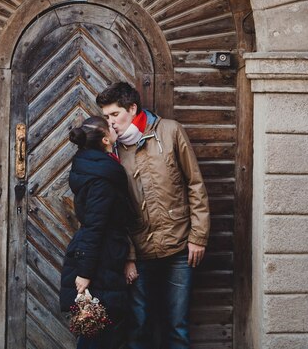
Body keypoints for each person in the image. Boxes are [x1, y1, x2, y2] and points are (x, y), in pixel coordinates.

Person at [96, 82, 210, 349]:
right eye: (106, 117)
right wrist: (128, 256)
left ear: (132, 108)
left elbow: (195, 185)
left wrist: (199, 237)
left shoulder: (170, 132)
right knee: (139, 325)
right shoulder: (110, 149)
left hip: (180, 246)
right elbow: (115, 209)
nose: (110, 123)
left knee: (177, 325)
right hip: (139, 251)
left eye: (115, 115)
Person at [60, 116, 135, 349]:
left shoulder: (92, 166)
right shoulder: (103, 177)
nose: (115, 128)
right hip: (101, 261)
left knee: (101, 331)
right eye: (111, 127)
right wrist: (84, 272)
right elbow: (95, 226)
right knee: (99, 333)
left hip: (105, 257)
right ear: (105, 140)